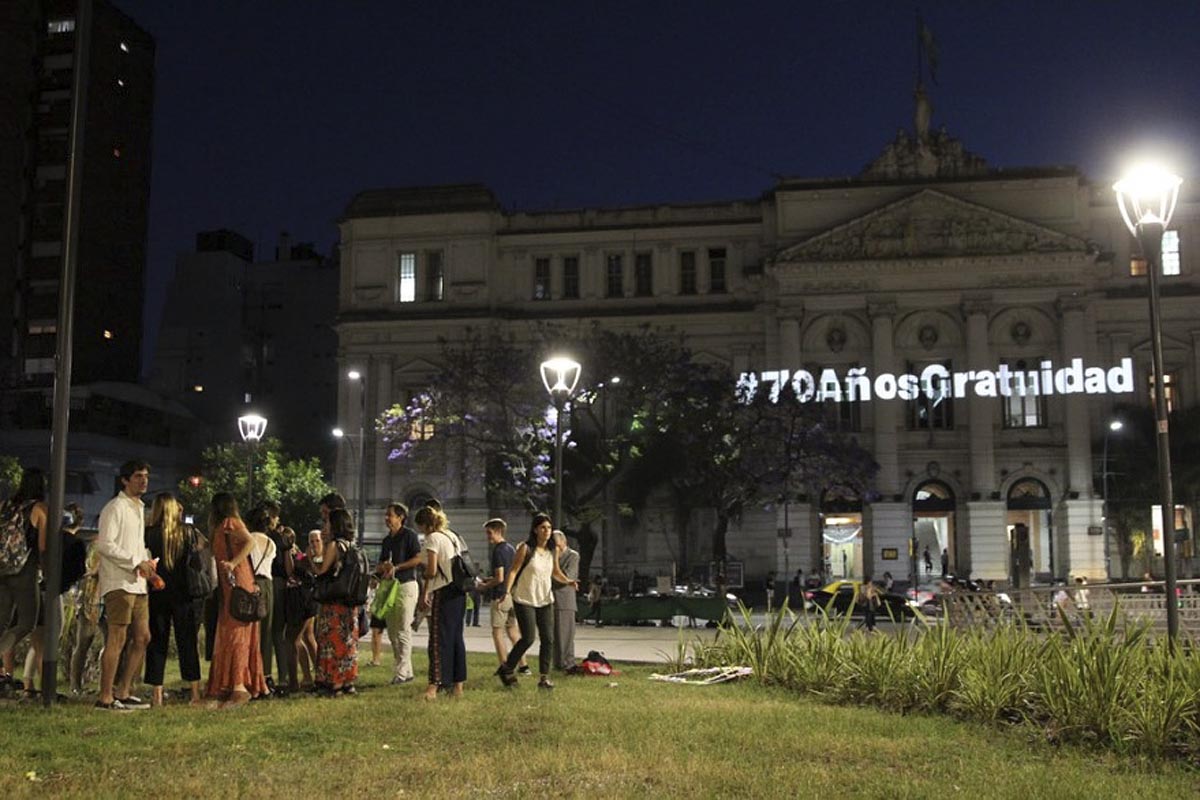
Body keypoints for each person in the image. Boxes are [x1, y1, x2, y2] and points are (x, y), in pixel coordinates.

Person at [94, 460, 155, 711]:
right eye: (139, 476)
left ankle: (124, 690)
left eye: (146, 476)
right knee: (117, 638)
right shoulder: (115, 507)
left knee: (142, 637)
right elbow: (105, 545)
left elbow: (133, 544)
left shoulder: (139, 508)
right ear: (125, 480)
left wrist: (147, 563)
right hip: (119, 582)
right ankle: (105, 696)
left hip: (138, 583)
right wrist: (135, 562)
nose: (144, 481)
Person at [498, 513, 577, 690]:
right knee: (528, 638)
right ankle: (507, 668)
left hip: (545, 598)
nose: (547, 531)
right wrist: (506, 591)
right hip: (524, 598)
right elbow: (513, 571)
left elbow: (555, 571)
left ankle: (544, 678)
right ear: (535, 529)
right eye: (543, 527)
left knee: (548, 639)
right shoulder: (525, 548)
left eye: (549, 528)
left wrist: (568, 581)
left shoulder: (553, 550)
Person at [206, 492, 268, 707]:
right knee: (234, 633)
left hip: (237, 583)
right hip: (232, 584)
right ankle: (236, 683)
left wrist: (233, 562)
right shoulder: (222, 527)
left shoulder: (230, 523)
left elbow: (250, 542)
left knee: (236, 634)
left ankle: (238, 685)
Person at [144, 493, 204, 706]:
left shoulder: (149, 533)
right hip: (183, 593)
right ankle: (195, 692)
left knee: (157, 642)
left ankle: (157, 693)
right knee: (187, 641)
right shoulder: (187, 533)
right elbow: (197, 564)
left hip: (158, 593)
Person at [0, 467, 48, 692]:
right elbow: (42, 547)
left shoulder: (5, 506)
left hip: (2, 570)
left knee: (2, 621)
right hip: (24, 571)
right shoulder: (38, 509)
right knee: (27, 622)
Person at [416, 504, 467, 700]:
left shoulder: (432, 538)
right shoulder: (451, 535)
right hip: (459, 591)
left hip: (443, 592)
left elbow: (431, 570)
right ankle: (458, 686)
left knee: (438, 640)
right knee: (456, 639)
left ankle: (434, 686)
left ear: (424, 525)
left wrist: (424, 586)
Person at [308, 508, 359, 697]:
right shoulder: (350, 545)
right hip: (349, 602)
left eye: (327, 522)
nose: (325, 526)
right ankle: (348, 681)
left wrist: (312, 560)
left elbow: (322, 571)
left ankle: (334, 683)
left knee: (331, 640)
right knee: (347, 642)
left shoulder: (334, 546)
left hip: (334, 601)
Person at [378, 502, 422, 685]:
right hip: (390, 587)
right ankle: (406, 669)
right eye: (386, 515)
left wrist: (398, 567)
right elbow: (380, 564)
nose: (387, 518)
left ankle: (402, 672)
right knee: (393, 631)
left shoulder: (409, 535)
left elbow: (418, 558)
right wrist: (383, 568)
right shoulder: (387, 540)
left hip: (406, 585)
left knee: (403, 629)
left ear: (401, 517)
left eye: (390, 515)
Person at [477, 518, 526, 673]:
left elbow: (499, 577)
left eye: (489, 532)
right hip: (511, 595)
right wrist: (490, 579)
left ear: (498, 531)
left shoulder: (498, 551)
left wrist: (485, 585)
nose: (488, 536)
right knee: (513, 630)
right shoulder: (511, 549)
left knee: (497, 632)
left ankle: (505, 666)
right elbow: (507, 574)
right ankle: (523, 665)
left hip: (499, 596)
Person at [262, 500, 293, 696]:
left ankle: (265, 675)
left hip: (263, 583)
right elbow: (289, 569)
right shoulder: (278, 539)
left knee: (264, 633)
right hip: (279, 584)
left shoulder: (255, 537)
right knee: (278, 634)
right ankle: (283, 677)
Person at [247, 506, 277, 694]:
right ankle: (265, 674)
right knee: (266, 632)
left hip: (251, 582)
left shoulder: (248, 539)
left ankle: (250, 673)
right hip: (268, 585)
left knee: (250, 632)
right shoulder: (271, 543)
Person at [551, 530, 580, 673]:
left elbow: (567, 578)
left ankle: (568, 663)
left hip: (565, 600)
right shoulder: (550, 556)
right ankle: (557, 663)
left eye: (557, 545)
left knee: (565, 634)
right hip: (551, 600)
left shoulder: (572, 556)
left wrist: (555, 572)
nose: (555, 548)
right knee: (554, 635)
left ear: (564, 542)